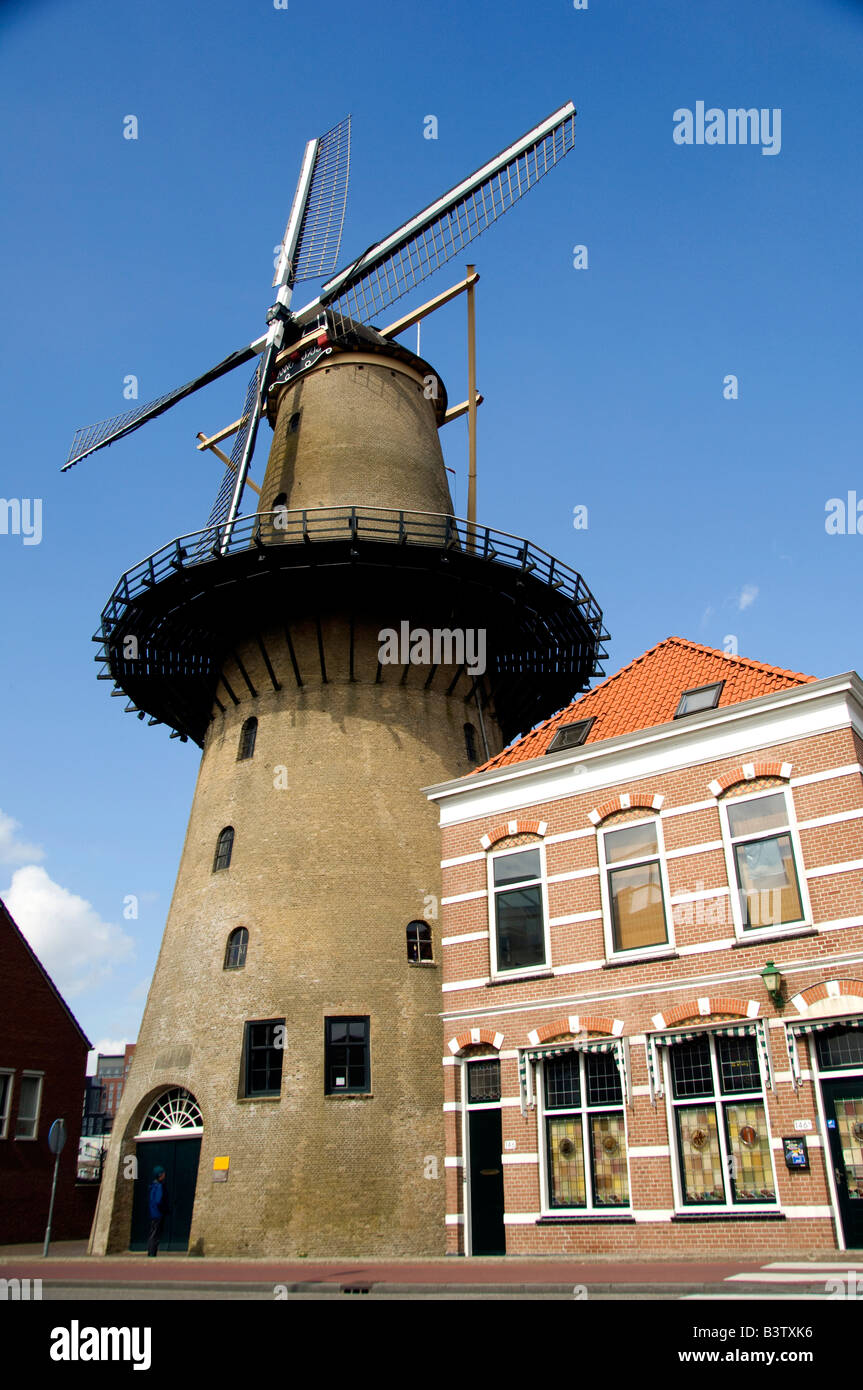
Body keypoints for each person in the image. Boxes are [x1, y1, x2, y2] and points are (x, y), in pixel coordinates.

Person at [147, 1165, 169, 1257]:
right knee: (155, 1234)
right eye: (163, 1173)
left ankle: (151, 1252)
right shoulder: (159, 1186)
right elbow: (158, 1200)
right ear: (160, 1175)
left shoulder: (152, 1186)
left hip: (153, 1213)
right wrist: (164, 1209)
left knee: (153, 1232)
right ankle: (152, 1253)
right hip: (158, 1214)